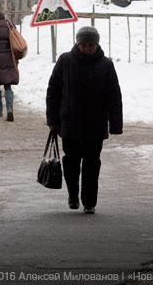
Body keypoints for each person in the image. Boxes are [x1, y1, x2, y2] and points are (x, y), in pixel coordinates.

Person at [46, 26, 123, 215]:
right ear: (77, 43)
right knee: (71, 162)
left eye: (91, 45)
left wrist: (115, 124)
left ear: (97, 44)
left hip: (95, 124)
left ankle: (89, 202)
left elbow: (114, 96)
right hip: (69, 122)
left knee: (92, 163)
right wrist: (52, 119)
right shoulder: (65, 61)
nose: (87, 48)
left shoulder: (106, 65)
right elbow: (53, 91)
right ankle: (73, 194)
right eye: (84, 45)